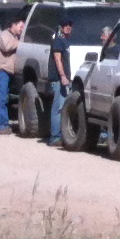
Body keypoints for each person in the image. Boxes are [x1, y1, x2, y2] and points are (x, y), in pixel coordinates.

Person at [0, 17, 24, 134]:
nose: (22, 29)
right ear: (13, 25)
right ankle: (0, 126)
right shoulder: (4, 35)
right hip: (1, 71)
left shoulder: (15, 37)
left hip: (10, 72)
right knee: (1, 99)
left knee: (5, 98)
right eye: (21, 26)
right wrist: (21, 43)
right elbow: (6, 47)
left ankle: (4, 123)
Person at [47, 17, 74, 145]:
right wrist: (62, 76)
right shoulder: (58, 41)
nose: (68, 27)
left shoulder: (66, 42)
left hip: (65, 79)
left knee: (62, 107)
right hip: (58, 79)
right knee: (57, 107)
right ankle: (54, 136)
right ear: (61, 27)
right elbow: (57, 59)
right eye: (66, 25)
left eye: (70, 25)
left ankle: (60, 134)